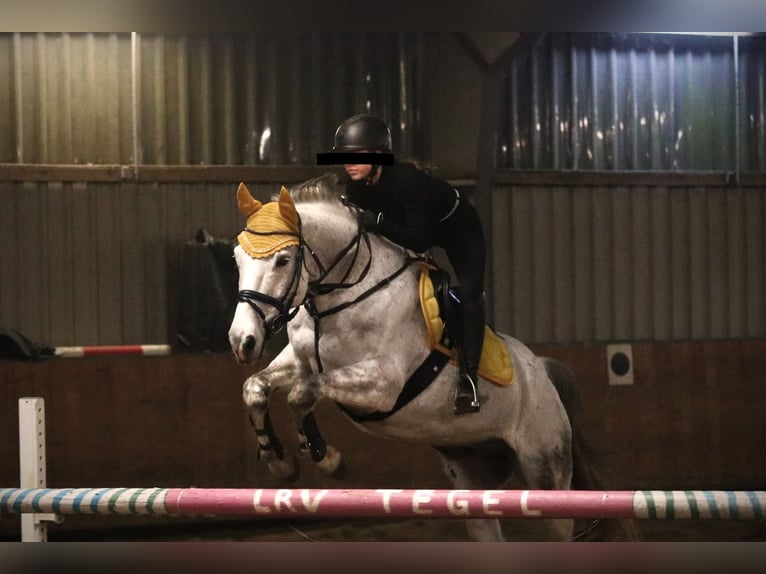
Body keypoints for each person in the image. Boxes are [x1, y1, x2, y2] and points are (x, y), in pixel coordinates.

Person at [317, 114, 487, 415]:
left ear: (379, 156)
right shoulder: (357, 186)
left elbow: (419, 240)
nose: (348, 164)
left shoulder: (409, 182)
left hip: (458, 229)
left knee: (471, 294)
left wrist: (378, 222)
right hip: (411, 227)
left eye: (356, 156)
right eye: (345, 157)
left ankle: (469, 379)